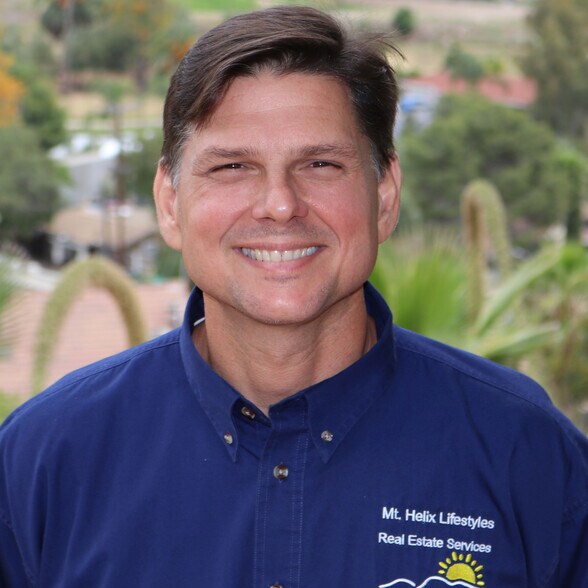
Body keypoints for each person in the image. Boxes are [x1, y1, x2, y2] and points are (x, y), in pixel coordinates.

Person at [1, 6, 587, 587]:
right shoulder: (41, 461)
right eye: (233, 166)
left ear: (384, 197)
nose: (280, 205)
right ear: (169, 203)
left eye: (320, 164)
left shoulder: (526, 454)